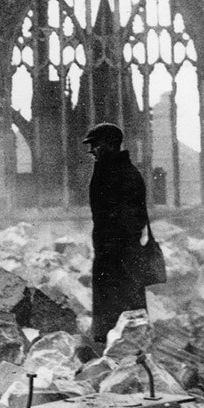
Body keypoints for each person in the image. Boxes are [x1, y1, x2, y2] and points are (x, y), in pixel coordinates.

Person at [85, 122, 149, 347]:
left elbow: (133, 219)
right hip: (109, 255)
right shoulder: (108, 171)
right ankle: (107, 348)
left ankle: (127, 350)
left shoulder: (125, 174)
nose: (91, 150)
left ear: (110, 145)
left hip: (121, 256)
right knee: (111, 308)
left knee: (125, 308)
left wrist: (114, 246)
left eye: (95, 145)